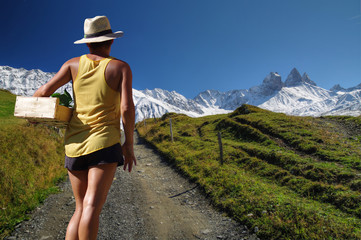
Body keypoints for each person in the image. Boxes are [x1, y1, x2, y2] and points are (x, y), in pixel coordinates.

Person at [32, 16, 136, 239]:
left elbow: (44, 92)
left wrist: (30, 106)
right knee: (92, 207)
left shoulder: (72, 65)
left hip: (74, 144)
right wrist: (129, 144)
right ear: (111, 41)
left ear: (87, 43)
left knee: (79, 208)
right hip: (105, 143)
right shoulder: (121, 67)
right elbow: (127, 108)